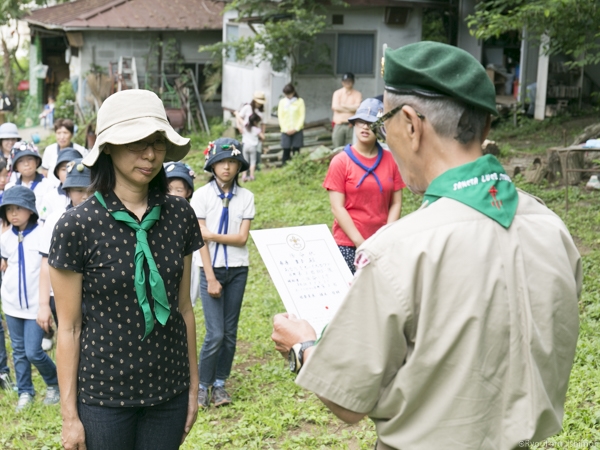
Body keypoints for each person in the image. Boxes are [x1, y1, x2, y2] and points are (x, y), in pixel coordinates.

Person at [271, 41, 581, 449]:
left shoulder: (401, 251)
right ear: (485, 128)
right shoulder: (551, 229)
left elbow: (346, 403)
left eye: (385, 126)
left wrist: (303, 345)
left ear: (412, 125)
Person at [48, 89, 203, 450]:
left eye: (157, 143)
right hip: (104, 397)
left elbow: (183, 310)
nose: (150, 155)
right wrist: (70, 417)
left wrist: (193, 387)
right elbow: (68, 328)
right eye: (136, 144)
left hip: (169, 390)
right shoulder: (77, 226)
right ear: (108, 149)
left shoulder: (179, 215)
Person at [191, 138, 255, 408]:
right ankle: (202, 386)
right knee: (215, 333)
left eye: (231, 162)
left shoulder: (246, 197)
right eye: (221, 162)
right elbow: (199, 240)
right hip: (210, 270)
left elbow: (241, 239)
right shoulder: (201, 196)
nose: (226, 167)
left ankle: (220, 383)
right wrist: (211, 277)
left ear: (239, 166)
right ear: (212, 166)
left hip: (238, 270)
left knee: (230, 332)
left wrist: (212, 234)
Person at [323, 97, 404, 273]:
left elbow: (396, 203)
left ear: (382, 127)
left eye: (371, 123)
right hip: (348, 244)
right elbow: (337, 208)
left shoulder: (392, 161)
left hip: (381, 244)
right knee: (348, 297)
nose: (365, 127)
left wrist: (384, 237)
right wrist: (361, 243)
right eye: (361, 122)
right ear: (354, 124)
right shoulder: (340, 162)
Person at [0, 186, 60, 412]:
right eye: (9, 210)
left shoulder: (43, 233)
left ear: (30, 210)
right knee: (17, 351)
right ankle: (25, 391)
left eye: (19, 208)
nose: (13, 214)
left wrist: (46, 305)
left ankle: (54, 383)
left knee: (34, 351)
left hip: (36, 306)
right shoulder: (5, 238)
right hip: (12, 305)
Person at [37, 158, 92, 353]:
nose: (85, 195)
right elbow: (46, 262)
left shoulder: (106, 218)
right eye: (78, 190)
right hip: (64, 295)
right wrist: (44, 304)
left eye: (91, 189)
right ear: (68, 191)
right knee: (70, 339)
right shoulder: (55, 220)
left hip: (98, 297)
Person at [164, 161, 201, 307]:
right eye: (168, 189)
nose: (172, 194)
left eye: (179, 190)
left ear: (189, 192)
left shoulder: (189, 214)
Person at [6, 142, 53, 214]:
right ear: (15, 166)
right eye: (20, 161)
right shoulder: (10, 187)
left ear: (37, 162)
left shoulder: (48, 185)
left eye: (30, 159)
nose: (26, 164)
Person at [38, 147, 81, 222]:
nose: (68, 173)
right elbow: (43, 223)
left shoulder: (89, 194)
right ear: (57, 172)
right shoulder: (49, 198)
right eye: (64, 169)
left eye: (73, 168)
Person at [41, 118, 88, 187]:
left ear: (71, 134)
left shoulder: (81, 151)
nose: (62, 137)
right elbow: (44, 171)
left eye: (65, 133)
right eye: (58, 133)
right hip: (53, 189)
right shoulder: (49, 150)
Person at [235, 91, 267, 170]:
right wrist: (238, 126)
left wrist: (262, 134)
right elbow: (239, 117)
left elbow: (263, 124)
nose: (259, 104)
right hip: (247, 134)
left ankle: (256, 170)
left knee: (257, 153)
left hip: (256, 134)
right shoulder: (247, 108)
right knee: (246, 155)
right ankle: (247, 171)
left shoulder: (262, 112)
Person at [331, 73, 362, 149]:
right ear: (342, 82)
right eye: (345, 81)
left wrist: (343, 105)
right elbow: (335, 107)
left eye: (349, 80)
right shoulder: (337, 93)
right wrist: (351, 108)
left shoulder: (358, 94)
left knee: (352, 147)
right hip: (339, 124)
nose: (347, 82)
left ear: (353, 81)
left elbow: (358, 108)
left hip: (351, 125)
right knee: (337, 147)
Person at [277, 84, 305, 164]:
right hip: (285, 131)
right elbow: (280, 117)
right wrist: (286, 129)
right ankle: (285, 168)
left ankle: (297, 168)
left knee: (296, 151)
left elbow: (301, 116)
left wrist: (296, 128)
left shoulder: (300, 101)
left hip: (297, 130)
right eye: (286, 94)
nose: (288, 96)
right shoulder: (282, 102)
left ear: (293, 92)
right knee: (286, 150)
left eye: (289, 94)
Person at [241, 113, 264, 181]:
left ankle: (244, 176)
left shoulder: (245, 127)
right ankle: (251, 176)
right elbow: (263, 137)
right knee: (253, 162)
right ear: (255, 122)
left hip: (245, 146)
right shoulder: (256, 129)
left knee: (245, 161)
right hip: (252, 147)